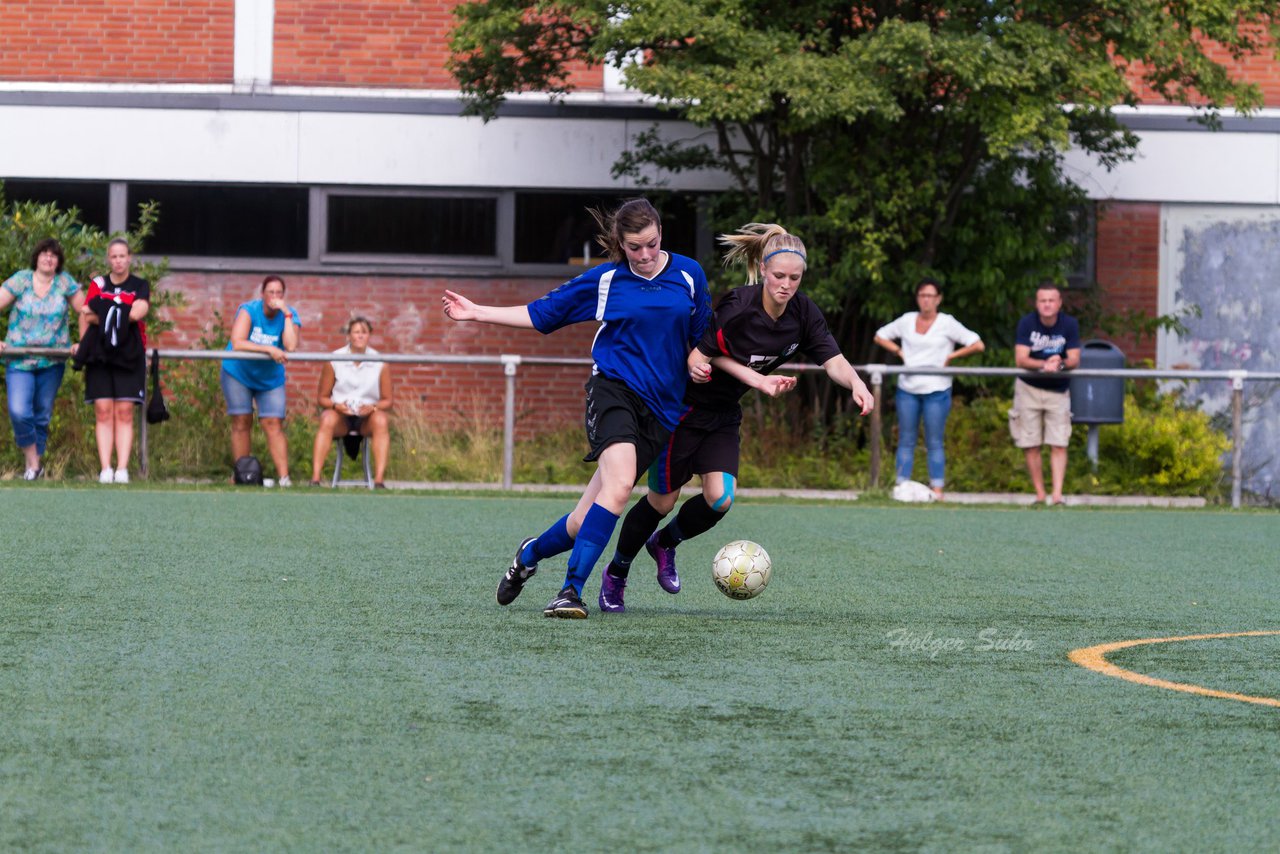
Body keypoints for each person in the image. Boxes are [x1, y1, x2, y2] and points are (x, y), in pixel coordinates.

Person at [442, 197, 711, 619]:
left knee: (581, 520)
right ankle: (570, 591)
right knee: (620, 486)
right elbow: (542, 314)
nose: (644, 255)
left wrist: (696, 358)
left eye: (652, 245)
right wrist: (476, 312)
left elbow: (700, 336)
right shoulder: (606, 280)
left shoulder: (689, 274)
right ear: (620, 244)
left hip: (661, 410)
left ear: (662, 235)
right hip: (614, 392)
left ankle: (528, 554)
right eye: (633, 248)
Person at [595, 223, 876, 612]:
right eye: (779, 276)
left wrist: (856, 384)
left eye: (795, 278)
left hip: (723, 415)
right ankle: (616, 574)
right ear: (763, 269)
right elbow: (699, 355)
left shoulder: (803, 313)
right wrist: (754, 380)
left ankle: (664, 543)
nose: (786, 285)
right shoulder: (738, 307)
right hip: (682, 409)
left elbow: (834, 360)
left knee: (720, 499)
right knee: (661, 501)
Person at [873, 277, 984, 501]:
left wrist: (952, 355)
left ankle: (938, 490)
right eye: (922, 295)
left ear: (938, 299)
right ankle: (901, 487)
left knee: (934, 440)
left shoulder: (947, 322)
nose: (926, 300)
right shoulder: (907, 320)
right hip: (908, 389)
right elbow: (880, 336)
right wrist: (899, 352)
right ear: (917, 298)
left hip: (937, 389)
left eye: (931, 296)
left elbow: (977, 344)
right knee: (906, 439)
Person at [0, 238, 86, 479]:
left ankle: (33, 468)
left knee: (42, 413)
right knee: (19, 411)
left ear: (58, 261)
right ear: (36, 257)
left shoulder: (64, 282)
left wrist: (82, 341)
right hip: (19, 359)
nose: (49, 258)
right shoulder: (21, 280)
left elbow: (87, 312)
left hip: (52, 360)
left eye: (54, 255)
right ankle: (34, 462)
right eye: (44, 253)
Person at [74, 239, 150, 484]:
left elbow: (139, 312)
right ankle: (106, 468)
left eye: (122, 256)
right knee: (103, 411)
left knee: (125, 411)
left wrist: (104, 310)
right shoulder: (98, 283)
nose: (118, 261)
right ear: (108, 259)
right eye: (113, 256)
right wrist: (118, 310)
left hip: (129, 354)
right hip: (99, 353)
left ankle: (122, 469)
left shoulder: (139, 284)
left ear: (129, 258)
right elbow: (86, 313)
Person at [220, 275, 301, 486]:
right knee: (241, 421)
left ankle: (284, 478)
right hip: (238, 373)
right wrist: (269, 349)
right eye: (270, 292)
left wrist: (287, 315)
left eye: (279, 293)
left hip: (270, 379)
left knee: (272, 423)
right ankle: (242, 475)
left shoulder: (289, 314)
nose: (274, 297)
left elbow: (291, 346)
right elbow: (238, 342)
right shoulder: (249, 310)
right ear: (262, 295)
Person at [1011, 282, 1081, 505]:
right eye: (1043, 300)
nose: (1047, 305)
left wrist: (1058, 364)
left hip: (1058, 391)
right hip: (1028, 388)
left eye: (1051, 300)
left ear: (1059, 303)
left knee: (1059, 442)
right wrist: (1044, 364)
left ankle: (1057, 495)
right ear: (1037, 303)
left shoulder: (1069, 324)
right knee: (1030, 443)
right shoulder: (1026, 323)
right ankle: (1040, 495)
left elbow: (1074, 359)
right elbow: (1021, 358)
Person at [310, 316, 393, 487]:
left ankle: (378, 480)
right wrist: (336, 406)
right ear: (348, 336)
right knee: (327, 418)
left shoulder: (380, 361)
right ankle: (316, 478)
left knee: (382, 419)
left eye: (364, 332)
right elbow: (322, 398)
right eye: (356, 332)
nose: (360, 336)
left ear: (370, 335)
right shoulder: (335, 359)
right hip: (341, 415)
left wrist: (373, 407)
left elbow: (388, 400)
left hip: (366, 417)